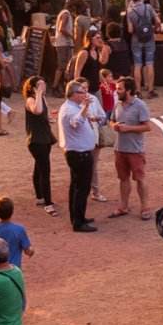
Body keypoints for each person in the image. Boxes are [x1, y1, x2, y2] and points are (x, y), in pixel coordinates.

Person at [58, 78, 103, 232]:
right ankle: (78, 222)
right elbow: (76, 123)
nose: (85, 95)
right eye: (81, 92)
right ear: (73, 94)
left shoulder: (72, 107)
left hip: (79, 153)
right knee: (81, 188)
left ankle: (78, 217)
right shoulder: (70, 109)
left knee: (76, 187)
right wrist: (86, 107)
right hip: (79, 154)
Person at [109, 77, 152, 221]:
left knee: (140, 179)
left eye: (119, 89)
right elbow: (111, 120)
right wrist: (114, 126)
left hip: (135, 150)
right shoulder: (117, 104)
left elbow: (147, 126)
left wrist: (128, 128)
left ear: (128, 90)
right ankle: (123, 206)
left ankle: (145, 207)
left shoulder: (140, 105)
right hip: (120, 148)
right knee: (123, 179)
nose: (117, 91)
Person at [22, 76, 58, 216]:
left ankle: (40, 197)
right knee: (45, 171)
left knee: (39, 168)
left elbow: (44, 115)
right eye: (40, 85)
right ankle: (48, 204)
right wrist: (38, 94)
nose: (43, 87)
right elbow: (36, 111)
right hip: (37, 141)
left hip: (45, 138)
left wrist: (52, 118)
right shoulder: (31, 100)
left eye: (44, 84)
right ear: (33, 88)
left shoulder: (42, 98)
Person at [126, 0, 160, 98]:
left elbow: (130, 30)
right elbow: (158, 21)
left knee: (138, 65)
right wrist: (155, 29)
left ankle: (138, 91)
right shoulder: (148, 7)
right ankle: (150, 90)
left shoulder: (130, 12)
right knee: (149, 63)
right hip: (149, 38)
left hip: (136, 39)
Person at [0, 197, 35, 268]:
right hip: (14, 269)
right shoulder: (19, 229)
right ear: (12, 212)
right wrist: (32, 251)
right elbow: (28, 251)